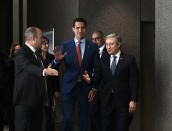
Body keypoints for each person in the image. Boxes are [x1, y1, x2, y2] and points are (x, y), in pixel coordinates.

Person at [52, 18, 100, 131]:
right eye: (77, 27)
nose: (80, 30)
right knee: (68, 119)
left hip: (85, 88)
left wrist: (94, 87)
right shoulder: (65, 45)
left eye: (82, 27)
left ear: (86, 29)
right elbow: (53, 66)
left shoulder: (92, 46)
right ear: (73, 29)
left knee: (84, 120)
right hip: (69, 88)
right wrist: (57, 61)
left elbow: (97, 68)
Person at [83, 33, 139, 131]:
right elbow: (97, 78)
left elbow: (134, 81)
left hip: (124, 102)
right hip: (106, 101)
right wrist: (90, 80)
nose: (108, 47)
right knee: (106, 127)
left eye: (111, 44)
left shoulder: (129, 59)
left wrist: (133, 100)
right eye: (107, 44)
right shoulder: (103, 60)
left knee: (122, 128)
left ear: (119, 44)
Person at [14, 26, 59, 131]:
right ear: (34, 38)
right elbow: (28, 66)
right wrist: (44, 71)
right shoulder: (21, 53)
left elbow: (47, 65)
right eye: (41, 37)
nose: (42, 39)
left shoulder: (37, 53)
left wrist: (55, 62)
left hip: (37, 101)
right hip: (24, 101)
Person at [90, 31, 109, 131]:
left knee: (104, 116)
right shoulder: (90, 51)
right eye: (93, 39)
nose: (95, 41)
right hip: (91, 88)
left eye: (97, 38)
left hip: (105, 89)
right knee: (92, 114)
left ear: (103, 39)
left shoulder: (109, 51)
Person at [41, 36, 60, 131]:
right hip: (39, 90)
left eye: (47, 43)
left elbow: (56, 75)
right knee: (40, 115)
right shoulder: (36, 58)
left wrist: (56, 90)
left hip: (50, 88)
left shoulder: (52, 57)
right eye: (44, 43)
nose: (46, 45)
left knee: (50, 114)